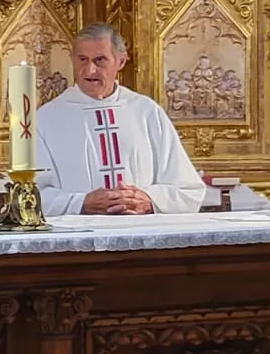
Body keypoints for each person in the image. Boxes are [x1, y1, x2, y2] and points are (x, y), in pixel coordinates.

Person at [34, 24, 205, 216]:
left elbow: (188, 190)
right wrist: (81, 203)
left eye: (100, 60)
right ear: (72, 60)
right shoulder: (46, 119)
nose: (90, 70)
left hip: (140, 231)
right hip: (78, 232)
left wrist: (148, 200)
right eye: (82, 60)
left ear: (121, 61)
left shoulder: (145, 112)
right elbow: (28, 197)